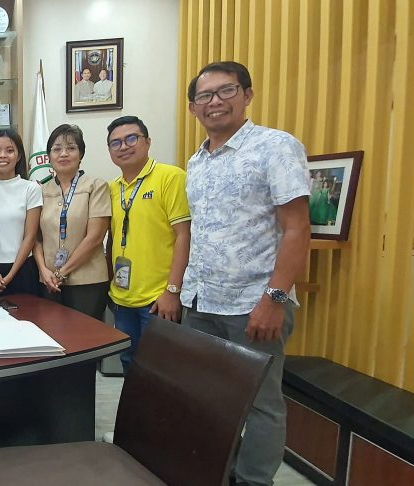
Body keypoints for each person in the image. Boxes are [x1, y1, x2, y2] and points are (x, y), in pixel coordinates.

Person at [183, 61, 311, 486]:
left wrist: (274, 299)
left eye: (226, 91)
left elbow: (296, 228)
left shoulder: (276, 147)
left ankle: (254, 480)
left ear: (248, 95)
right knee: (209, 399)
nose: (215, 102)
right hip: (201, 301)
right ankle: (218, 472)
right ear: (193, 108)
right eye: (205, 95)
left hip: (253, 303)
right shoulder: (196, 163)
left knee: (261, 403)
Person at [104, 116, 191, 371]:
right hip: (122, 299)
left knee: (161, 370)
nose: (124, 146)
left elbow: (184, 236)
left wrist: (172, 292)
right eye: (115, 143)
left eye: (132, 138)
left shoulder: (170, 177)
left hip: (158, 300)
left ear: (147, 142)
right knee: (129, 364)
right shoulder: (113, 188)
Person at [34, 124, 112, 321]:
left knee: (86, 343)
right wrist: (44, 271)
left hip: (87, 281)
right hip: (49, 282)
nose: (63, 154)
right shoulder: (40, 190)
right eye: (57, 149)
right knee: (54, 340)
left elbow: (95, 237)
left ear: (81, 154)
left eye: (71, 148)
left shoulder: (96, 186)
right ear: (49, 157)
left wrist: (62, 273)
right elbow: (35, 238)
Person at [0, 129, 42, 296]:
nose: (2, 155)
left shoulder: (31, 189)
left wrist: (10, 276)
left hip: (22, 269)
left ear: (19, 155)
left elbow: (30, 236)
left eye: (10, 150)